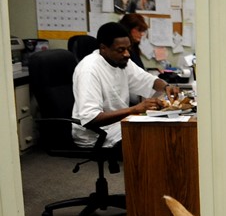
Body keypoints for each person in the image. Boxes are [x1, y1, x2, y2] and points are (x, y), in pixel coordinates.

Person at [72, 22, 180, 150]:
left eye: (128, 48)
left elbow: (148, 80)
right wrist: (134, 109)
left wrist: (166, 86)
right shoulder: (89, 70)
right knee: (155, 141)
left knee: (163, 129)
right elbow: (91, 118)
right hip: (95, 134)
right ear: (103, 48)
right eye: (121, 50)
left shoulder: (121, 62)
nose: (127, 54)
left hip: (119, 125)